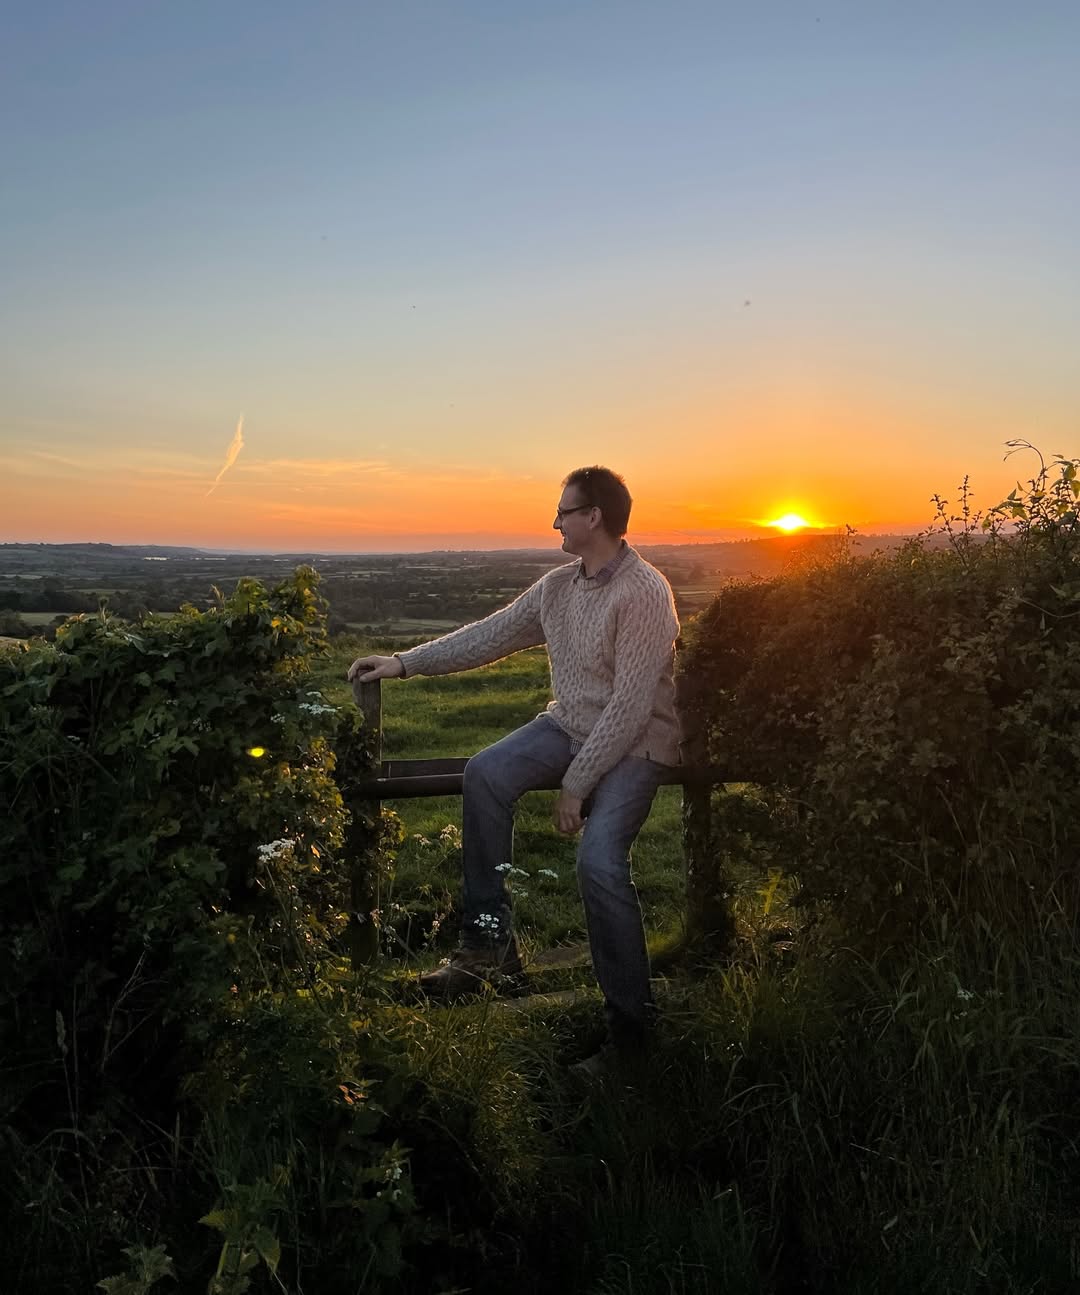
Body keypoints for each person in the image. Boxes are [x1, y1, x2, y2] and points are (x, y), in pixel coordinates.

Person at [347, 465, 681, 1065]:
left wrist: (575, 787)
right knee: (486, 772)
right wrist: (403, 663)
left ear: (593, 517)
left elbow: (630, 708)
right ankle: (488, 945)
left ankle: (632, 1035)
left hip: (636, 744)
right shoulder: (558, 588)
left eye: (563, 510)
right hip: (568, 726)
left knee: (599, 864)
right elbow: (489, 635)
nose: (555, 520)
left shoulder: (645, 592)